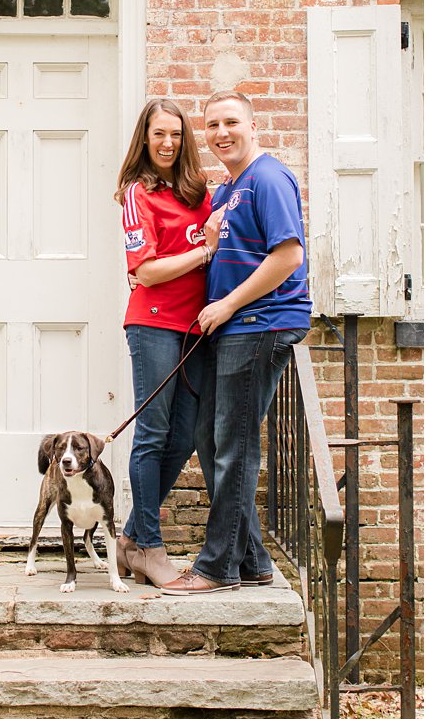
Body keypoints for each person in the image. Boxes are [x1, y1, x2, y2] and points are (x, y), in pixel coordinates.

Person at [161, 91, 311, 596]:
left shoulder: (268, 178)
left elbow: (288, 256)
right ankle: (252, 559)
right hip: (229, 331)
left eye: (230, 122)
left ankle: (217, 567)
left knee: (235, 448)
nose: (221, 132)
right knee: (213, 438)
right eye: (212, 126)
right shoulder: (229, 189)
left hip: (261, 325)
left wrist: (227, 305)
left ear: (253, 124)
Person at [112, 99, 213, 589]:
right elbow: (146, 271)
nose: (168, 143)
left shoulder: (199, 193)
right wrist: (202, 252)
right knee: (151, 432)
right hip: (152, 324)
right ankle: (150, 547)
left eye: (175, 134)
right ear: (145, 139)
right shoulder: (137, 193)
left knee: (187, 433)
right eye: (158, 134)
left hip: (197, 327)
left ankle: (130, 538)